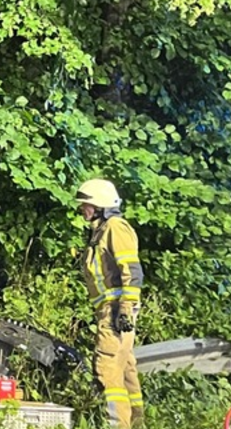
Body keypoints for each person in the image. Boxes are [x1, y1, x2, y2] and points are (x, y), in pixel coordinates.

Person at [76, 178, 144, 429]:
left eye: (87, 205)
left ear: (101, 205)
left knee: (106, 370)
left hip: (116, 313)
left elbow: (132, 271)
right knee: (126, 373)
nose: (83, 209)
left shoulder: (116, 227)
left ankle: (117, 426)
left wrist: (125, 308)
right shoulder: (101, 231)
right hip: (111, 311)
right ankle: (137, 424)